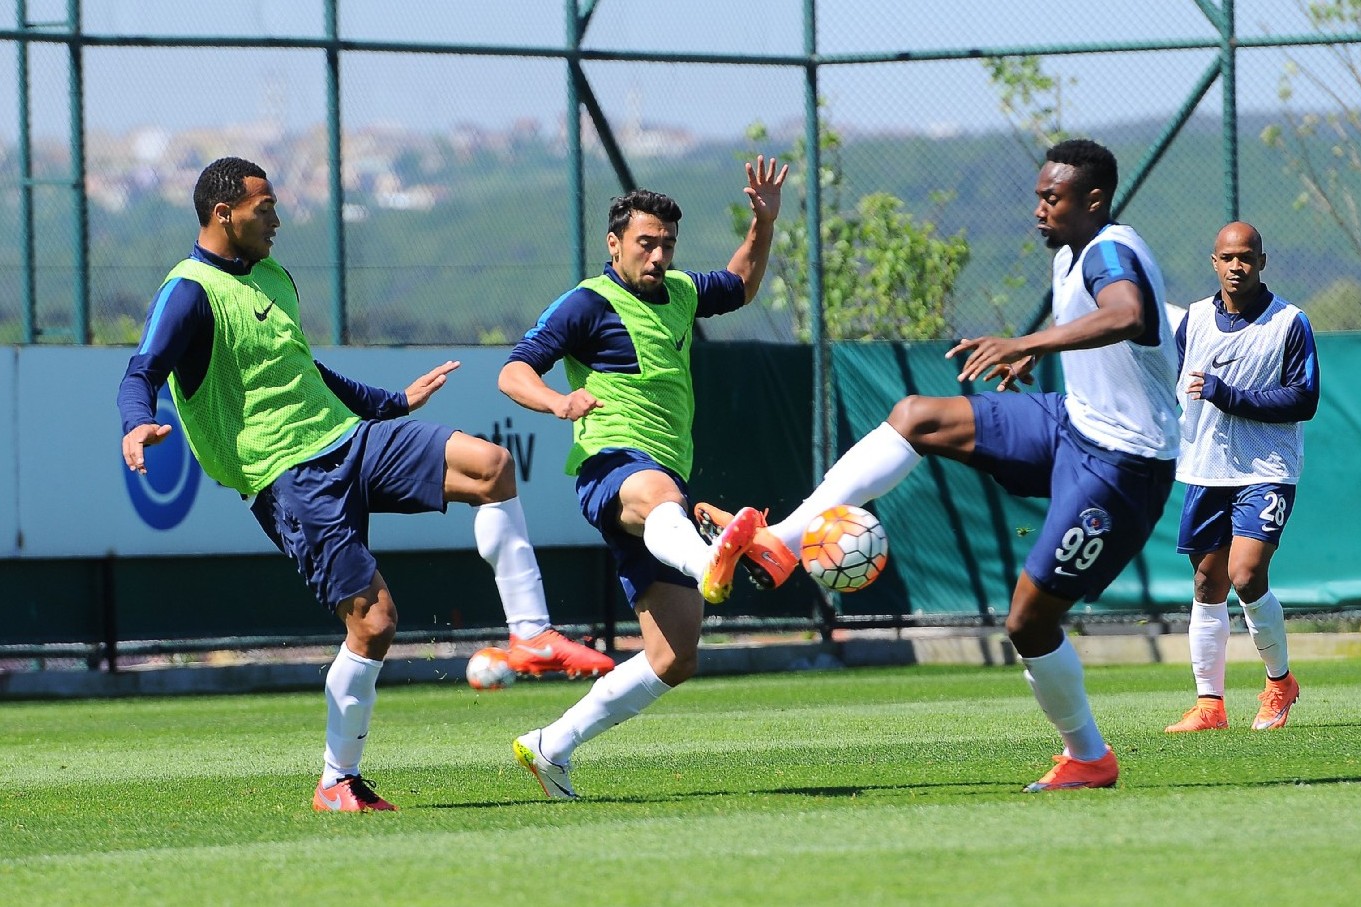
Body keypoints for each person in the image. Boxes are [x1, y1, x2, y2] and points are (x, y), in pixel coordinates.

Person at [116, 156, 611, 813]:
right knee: (374, 624)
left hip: (351, 439)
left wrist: (392, 403)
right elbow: (141, 371)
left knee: (492, 466)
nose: (278, 220)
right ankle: (337, 780)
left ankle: (531, 635)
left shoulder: (273, 275)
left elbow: (303, 370)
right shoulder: (188, 291)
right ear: (223, 213)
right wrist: (136, 423)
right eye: (266, 209)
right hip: (287, 477)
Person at [703, 138, 1179, 791]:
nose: (1039, 208)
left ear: (1093, 200)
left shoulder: (1107, 251)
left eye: (1052, 197)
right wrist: (1034, 352)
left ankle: (1089, 756)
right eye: (1038, 196)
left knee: (1028, 621)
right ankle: (781, 544)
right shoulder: (1072, 251)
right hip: (1072, 421)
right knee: (916, 415)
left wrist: (1027, 340)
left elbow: (1127, 313)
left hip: (1123, 462)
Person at [497, 156, 788, 798]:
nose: (657, 256)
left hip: (665, 499)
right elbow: (514, 371)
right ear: (614, 244)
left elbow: (740, 284)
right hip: (612, 466)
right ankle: (709, 557)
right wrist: (558, 402)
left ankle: (550, 746)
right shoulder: (586, 304)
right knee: (660, 493)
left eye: (667, 245)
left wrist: (762, 225)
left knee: (674, 657)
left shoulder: (681, 292)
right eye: (645, 243)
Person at [1164, 222, 1319, 733]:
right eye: (1228, 257)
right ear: (1214, 262)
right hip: (1205, 467)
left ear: (1262, 261)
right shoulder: (1194, 320)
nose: (1237, 266)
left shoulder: (1289, 322)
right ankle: (1210, 706)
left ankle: (1279, 684)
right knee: (1207, 582)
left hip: (1266, 469)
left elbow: (1304, 399)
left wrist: (1228, 395)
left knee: (1246, 575)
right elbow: (1166, 381)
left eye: (1246, 257)